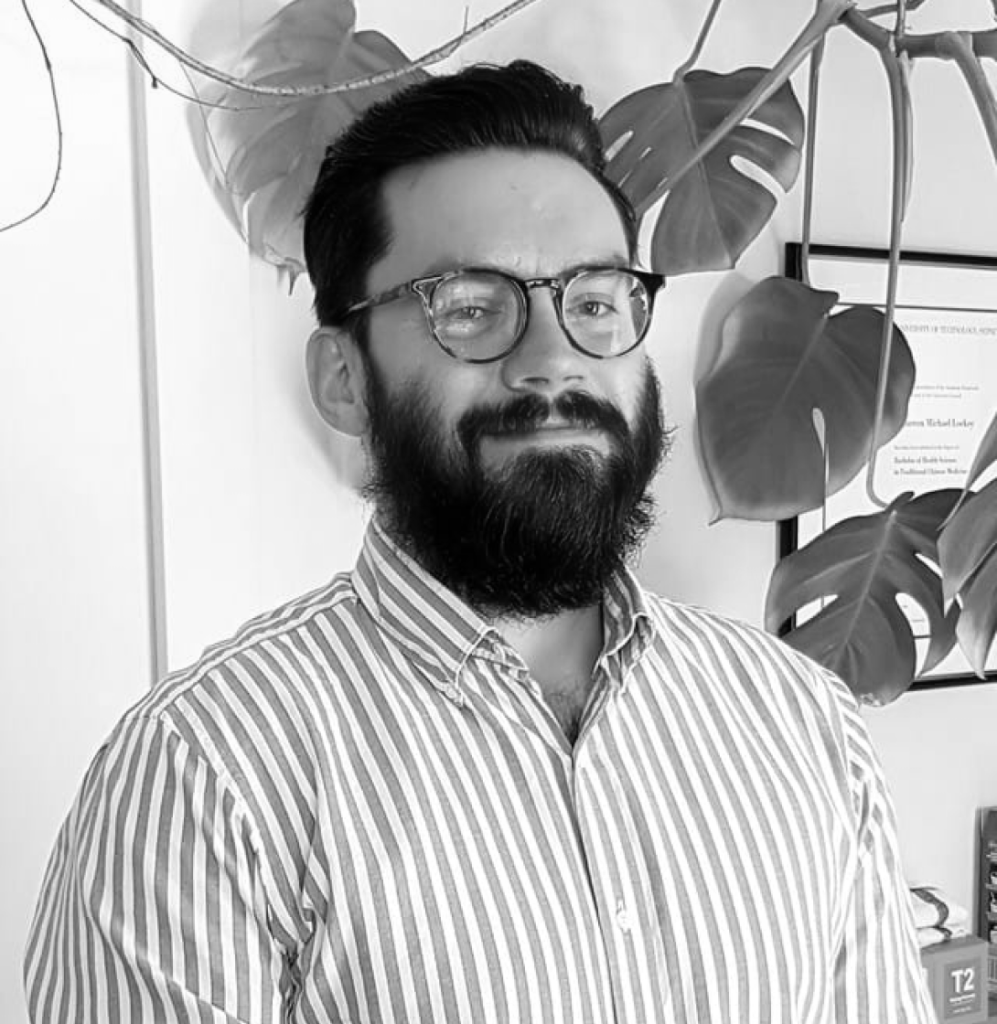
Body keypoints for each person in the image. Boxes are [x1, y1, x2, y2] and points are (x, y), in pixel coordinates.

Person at [24, 60, 935, 1023]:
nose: (550, 362)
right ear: (344, 377)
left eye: (592, 302)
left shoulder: (803, 724)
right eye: (467, 307)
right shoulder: (205, 777)